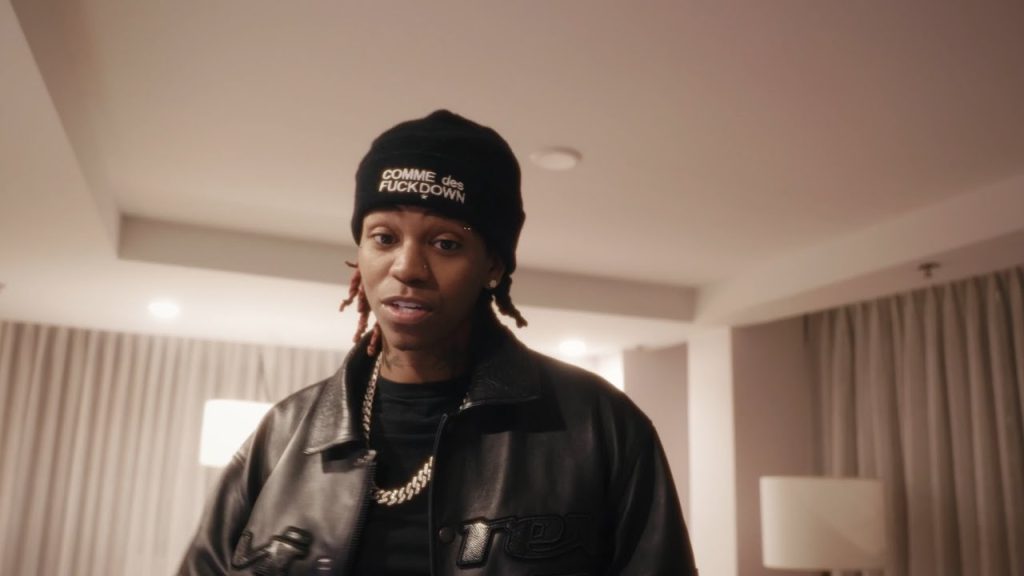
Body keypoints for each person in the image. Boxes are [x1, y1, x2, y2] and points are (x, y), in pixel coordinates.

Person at [179, 110, 698, 575]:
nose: (407, 267)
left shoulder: (597, 425)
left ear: (492, 266)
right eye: (384, 238)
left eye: (446, 243)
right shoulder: (285, 434)